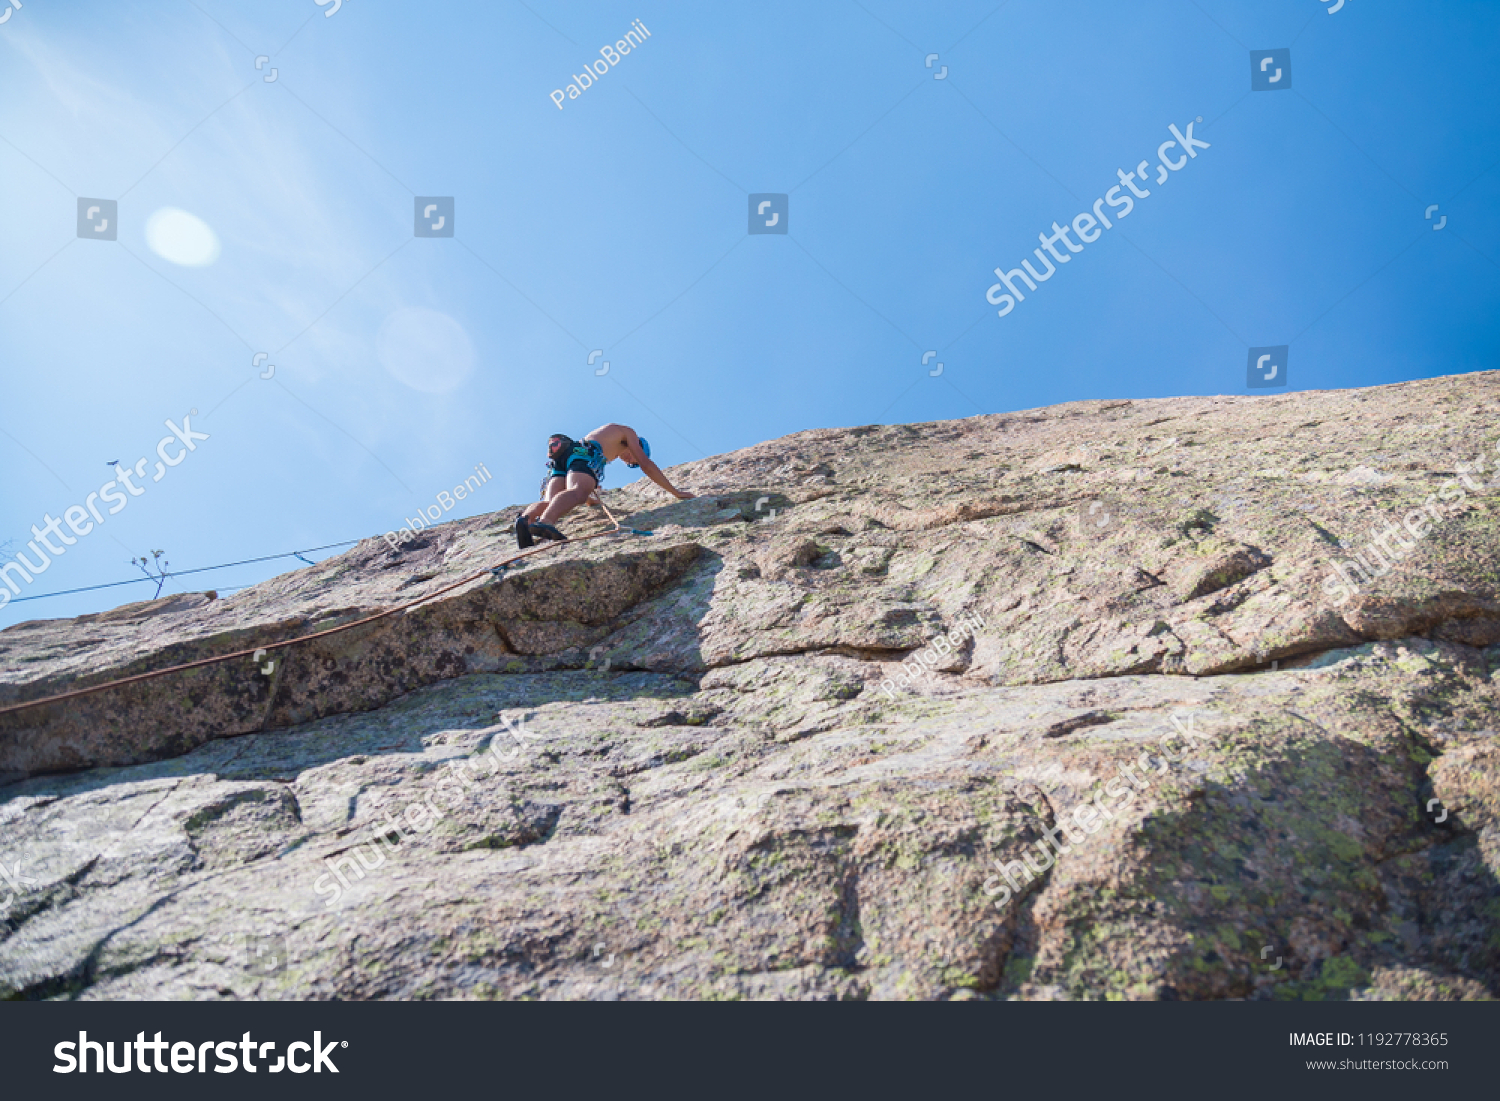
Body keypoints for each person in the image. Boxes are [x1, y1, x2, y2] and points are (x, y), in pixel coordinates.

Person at [517, 423, 693, 546]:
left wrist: (591, 496)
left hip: (565, 456)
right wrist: (675, 492)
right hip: (582, 454)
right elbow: (646, 464)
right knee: (577, 492)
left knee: (552, 501)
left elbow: (579, 488)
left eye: (631, 464)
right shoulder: (628, 432)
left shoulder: (607, 443)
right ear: (638, 445)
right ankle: (546, 522)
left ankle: (525, 521)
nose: (629, 461)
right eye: (633, 459)